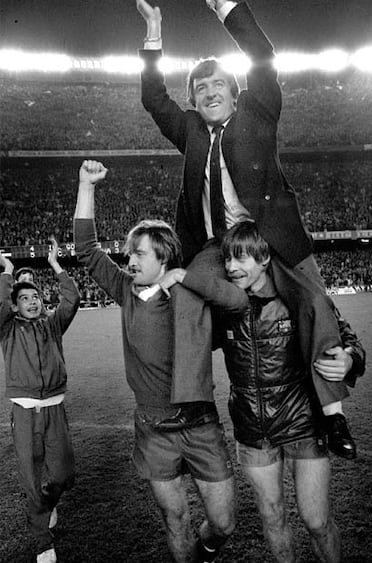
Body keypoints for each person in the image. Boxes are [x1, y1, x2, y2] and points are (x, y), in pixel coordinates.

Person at [137, 0, 358, 459]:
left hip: (271, 237)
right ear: (194, 101)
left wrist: (227, 8)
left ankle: (333, 415)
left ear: (236, 95)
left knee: (314, 302)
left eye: (219, 84)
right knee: (186, 295)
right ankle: (194, 404)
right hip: (217, 246)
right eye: (201, 88)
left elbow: (262, 55)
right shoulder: (192, 132)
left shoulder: (259, 116)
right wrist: (154, 34)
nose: (210, 91)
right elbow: (154, 99)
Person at [157, 221, 366, 562]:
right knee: (272, 517)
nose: (230, 268)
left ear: (265, 258)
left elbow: (347, 340)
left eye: (240, 259)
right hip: (253, 430)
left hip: (302, 423)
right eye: (227, 260)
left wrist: (349, 359)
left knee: (316, 520)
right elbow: (188, 339)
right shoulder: (223, 307)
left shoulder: (298, 297)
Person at [73, 160, 246, 563]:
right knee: (175, 518)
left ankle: (204, 553)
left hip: (200, 424)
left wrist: (185, 279)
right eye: (129, 253)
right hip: (153, 429)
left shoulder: (193, 292)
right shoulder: (126, 290)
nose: (129, 260)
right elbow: (85, 249)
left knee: (223, 522)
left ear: (164, 256)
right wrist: (86, 187)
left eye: (139, 253)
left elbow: (237, 302)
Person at [0, 239, 80, 563]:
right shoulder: (7, 329)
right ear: (15, 305)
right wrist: (7, 273)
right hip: (26, 412)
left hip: (55, 409)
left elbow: (71, 299)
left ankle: (50, 502)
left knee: (63, 475)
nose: (32, 301)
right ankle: (42, 543)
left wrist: (57, 265)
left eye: (34, 296)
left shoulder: (52, 324)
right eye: (24, 298)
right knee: (31, 480)